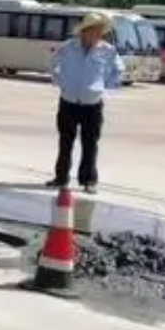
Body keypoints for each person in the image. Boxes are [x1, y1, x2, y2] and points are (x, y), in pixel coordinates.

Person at [46, 12, 124, 195]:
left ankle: (88, 180)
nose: (97, 35)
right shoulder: (68, 48)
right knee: (65, 141)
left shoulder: (108, 50)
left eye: (100, 32)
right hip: (69, 101)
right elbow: (53, 64)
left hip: (92, 104)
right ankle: (61, 178)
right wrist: (60, 82)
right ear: (84, 32)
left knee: (90, 143)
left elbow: (118, 70)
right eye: (94, 31)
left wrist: (104, 87)